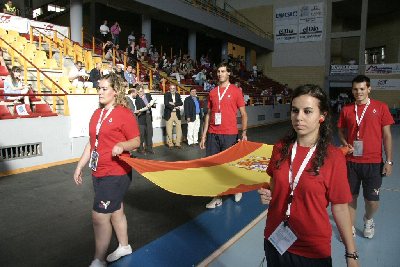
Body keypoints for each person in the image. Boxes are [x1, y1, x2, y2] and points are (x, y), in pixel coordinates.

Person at [258, 84, 359, 267]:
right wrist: (271, 193)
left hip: (312, 249)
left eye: (307, 111)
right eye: (295, 111)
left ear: (322, 116)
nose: (299, 117)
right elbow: (275, 183)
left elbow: (340, 208)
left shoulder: (333, 157)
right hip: (275, 239)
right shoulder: (280, 148)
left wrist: (351, 254)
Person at [73, 73, 140, 267]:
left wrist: (122, 145)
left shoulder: (124, 113)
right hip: (98, 171)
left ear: (115, 91)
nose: (99, 92)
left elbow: (136, 141)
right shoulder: (97, 114)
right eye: (99, 88)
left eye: (104, 89)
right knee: (116, 210)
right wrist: (80, 166)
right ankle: (124, 246)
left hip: (117, 173)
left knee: (99, 216)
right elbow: (92, 143)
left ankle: (98, 260)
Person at [337, 75, 394, 239]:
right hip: (351, 162)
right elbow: (340, 130)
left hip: (373, 163)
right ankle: (349, 227)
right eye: (355, 89)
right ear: (352, 90)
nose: (358, 92)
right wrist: (344, 142)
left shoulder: (381, 107)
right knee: (350, 197)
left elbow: (387, 136)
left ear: (369, 89)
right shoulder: (347, 109)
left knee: (372, 201)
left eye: (362, 89)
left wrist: (389, 160)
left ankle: (368, 219)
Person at [199, 62, 248, 208]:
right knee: (214, 167)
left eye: (223, 71)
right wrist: (203, 136)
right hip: (213, 134)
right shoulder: (213, 92)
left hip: (229, 134)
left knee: (230, 165)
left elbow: (244, 114)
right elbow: (208, 115)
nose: (220, 74)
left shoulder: (236, 91)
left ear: (228, 74)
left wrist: (244, 132)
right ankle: (217, 197)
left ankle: (237, 188)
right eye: (218, 71)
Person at [135, 86, 155, 154]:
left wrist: (153, 104)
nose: (139, 93)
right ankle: (140, 149)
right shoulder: (137, 99)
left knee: (149, 133)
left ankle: (149, 149)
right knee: (141, 134)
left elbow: (153, 104)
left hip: (149, 117)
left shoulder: (148, 95)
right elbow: (139, 109)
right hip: (141, 118)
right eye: (138, 92)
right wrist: (147, 106)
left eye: (141, 91)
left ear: (143, 90)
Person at [164, 84, 183, 149]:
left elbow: (181, 103)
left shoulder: (178, 94)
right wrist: (175, 106)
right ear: (169, 89)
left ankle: (178, 143)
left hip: (177, 114)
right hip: (169, 114)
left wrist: (173, 103)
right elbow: (166, 104)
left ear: (175, 89)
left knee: (179, 129)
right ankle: (170, 144)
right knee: (169, 130)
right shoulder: (166, 94)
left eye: (174, 88)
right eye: (171, 88)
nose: (172, 89)